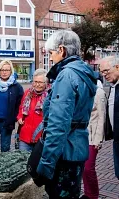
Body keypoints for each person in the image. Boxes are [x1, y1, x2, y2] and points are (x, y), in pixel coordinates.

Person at [36, 30, 97, 198]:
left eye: (51, 53)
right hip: (77, 146)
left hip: (64, 152)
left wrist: (46, 163)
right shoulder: (83, 72)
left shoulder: (66, 75)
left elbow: (58, 124)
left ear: (61, 50)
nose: (49, 57)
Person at [0, 60, 24, 153]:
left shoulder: (16, 87)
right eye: (2, 70)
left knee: (5, 148)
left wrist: (14, 117)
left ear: (11, 71)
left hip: (7, 121)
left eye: (7, 70)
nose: (4, 72)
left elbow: (20, 104)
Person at [82, 77, 106, 199]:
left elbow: (102, 116)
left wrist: (98, 139)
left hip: (92, 137)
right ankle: (87, 194)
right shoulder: (81, 90)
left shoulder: (99, 92)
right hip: (80, 136)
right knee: (83, 168)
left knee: (88, 168)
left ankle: (93, 195)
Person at [17, 68, 49, 152]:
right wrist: (20, 116)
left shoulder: (50, 96)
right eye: (35, 82)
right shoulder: (28, 93)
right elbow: (21, 107)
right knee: (23, 162)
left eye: (40, 82)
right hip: (25, 136)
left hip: (41, 138)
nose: (37, 85)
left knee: (37, 163)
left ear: (46, 83)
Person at [98, 56, 119, 179]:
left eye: (106, 70)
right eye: (101, 72)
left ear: (117, 67)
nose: (104, 75)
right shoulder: (113, 86)